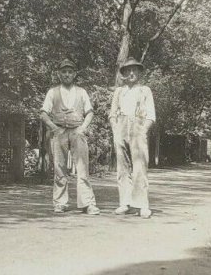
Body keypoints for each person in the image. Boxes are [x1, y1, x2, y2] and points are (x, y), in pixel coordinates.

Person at [41, 58, 100, 215]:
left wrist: (83, 128)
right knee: (59, 168)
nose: (67, 74)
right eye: (64, 72)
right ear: (59, 74)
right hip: (59, 132)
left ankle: (88, 203)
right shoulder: (52, 92)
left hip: (77, 131)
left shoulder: (82, 92)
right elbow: (43, 114)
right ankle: (60, 202)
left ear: (74, 74)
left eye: (70, 72)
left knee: (82, 168)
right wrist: (54, 128)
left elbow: (90, 113)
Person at [109, 57, 156, 219]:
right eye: (128, 70)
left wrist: (143, 130)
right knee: (122, 167)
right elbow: (112, 113)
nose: (131, 73)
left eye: (134, 70)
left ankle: (142, 205)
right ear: (123, 74)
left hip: (138, 127)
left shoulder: (145, 90)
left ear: (139, 72)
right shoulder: (119, 91)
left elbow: (151, 115)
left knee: (140, 166)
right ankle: (125, 203)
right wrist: (115, 128)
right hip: (121, 127)